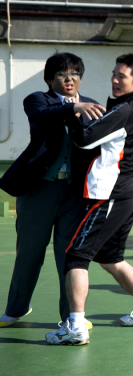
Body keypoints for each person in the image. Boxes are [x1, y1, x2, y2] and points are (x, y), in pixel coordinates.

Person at [46, 54, 133, 345]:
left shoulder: (128, 109)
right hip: (126, 192)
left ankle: (75, 327)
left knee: (76, 256)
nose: (113, 80)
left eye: (120, 77)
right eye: (113, 74)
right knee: (112, 258)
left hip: (110, 193)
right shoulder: (132, 107)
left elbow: (85, 138)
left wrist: (70, 113)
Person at [0, 53, 105, 328]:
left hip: (74, 193)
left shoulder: (91, 105)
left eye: (74, 73)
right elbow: (41, 116)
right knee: (29, 252)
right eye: (62, 74)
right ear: (50, 79)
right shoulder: (38, 100)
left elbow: (113, 126)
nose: (69, 78)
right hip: (38, 190)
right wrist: (73, 108)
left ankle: (71, 315)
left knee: (69, 256)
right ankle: (16, 308)